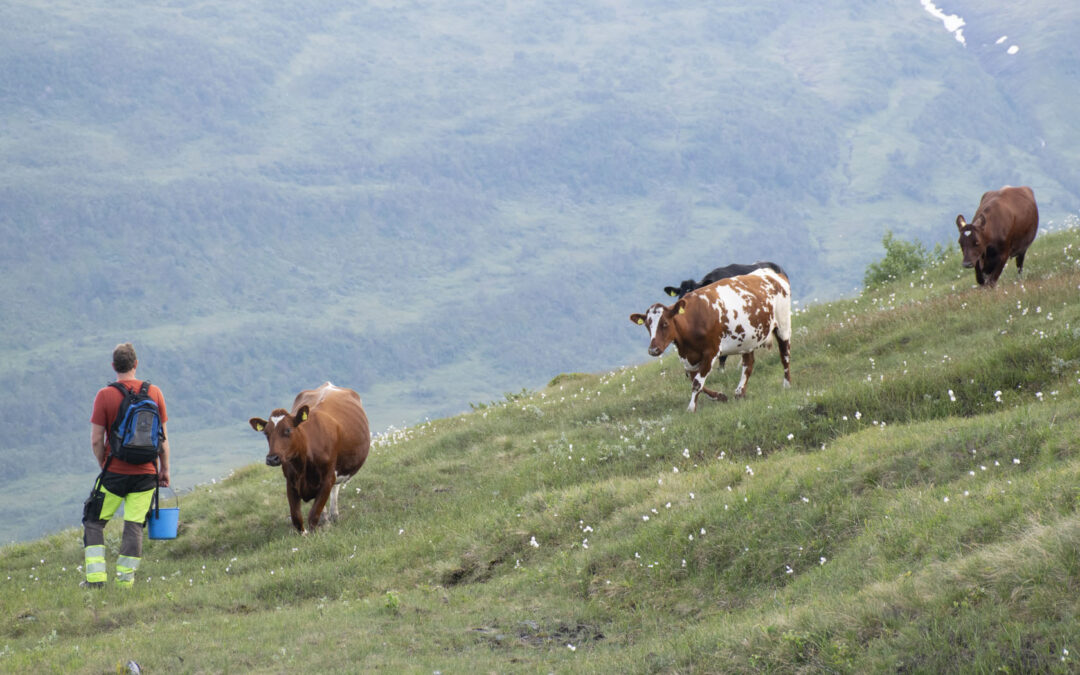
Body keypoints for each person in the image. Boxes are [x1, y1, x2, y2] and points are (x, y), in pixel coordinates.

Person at [82, 343, 171, 588]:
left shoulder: (105, 395)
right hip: (146, 475)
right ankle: (125, 582)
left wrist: (103, 462)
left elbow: (96, 439)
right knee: (134, 527)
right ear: (136, 364)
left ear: (113, 366)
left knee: (94, 521)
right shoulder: (155, 393)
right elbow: (162, 440)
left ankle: (96, 579)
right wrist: (164, 470)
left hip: (115, 474)